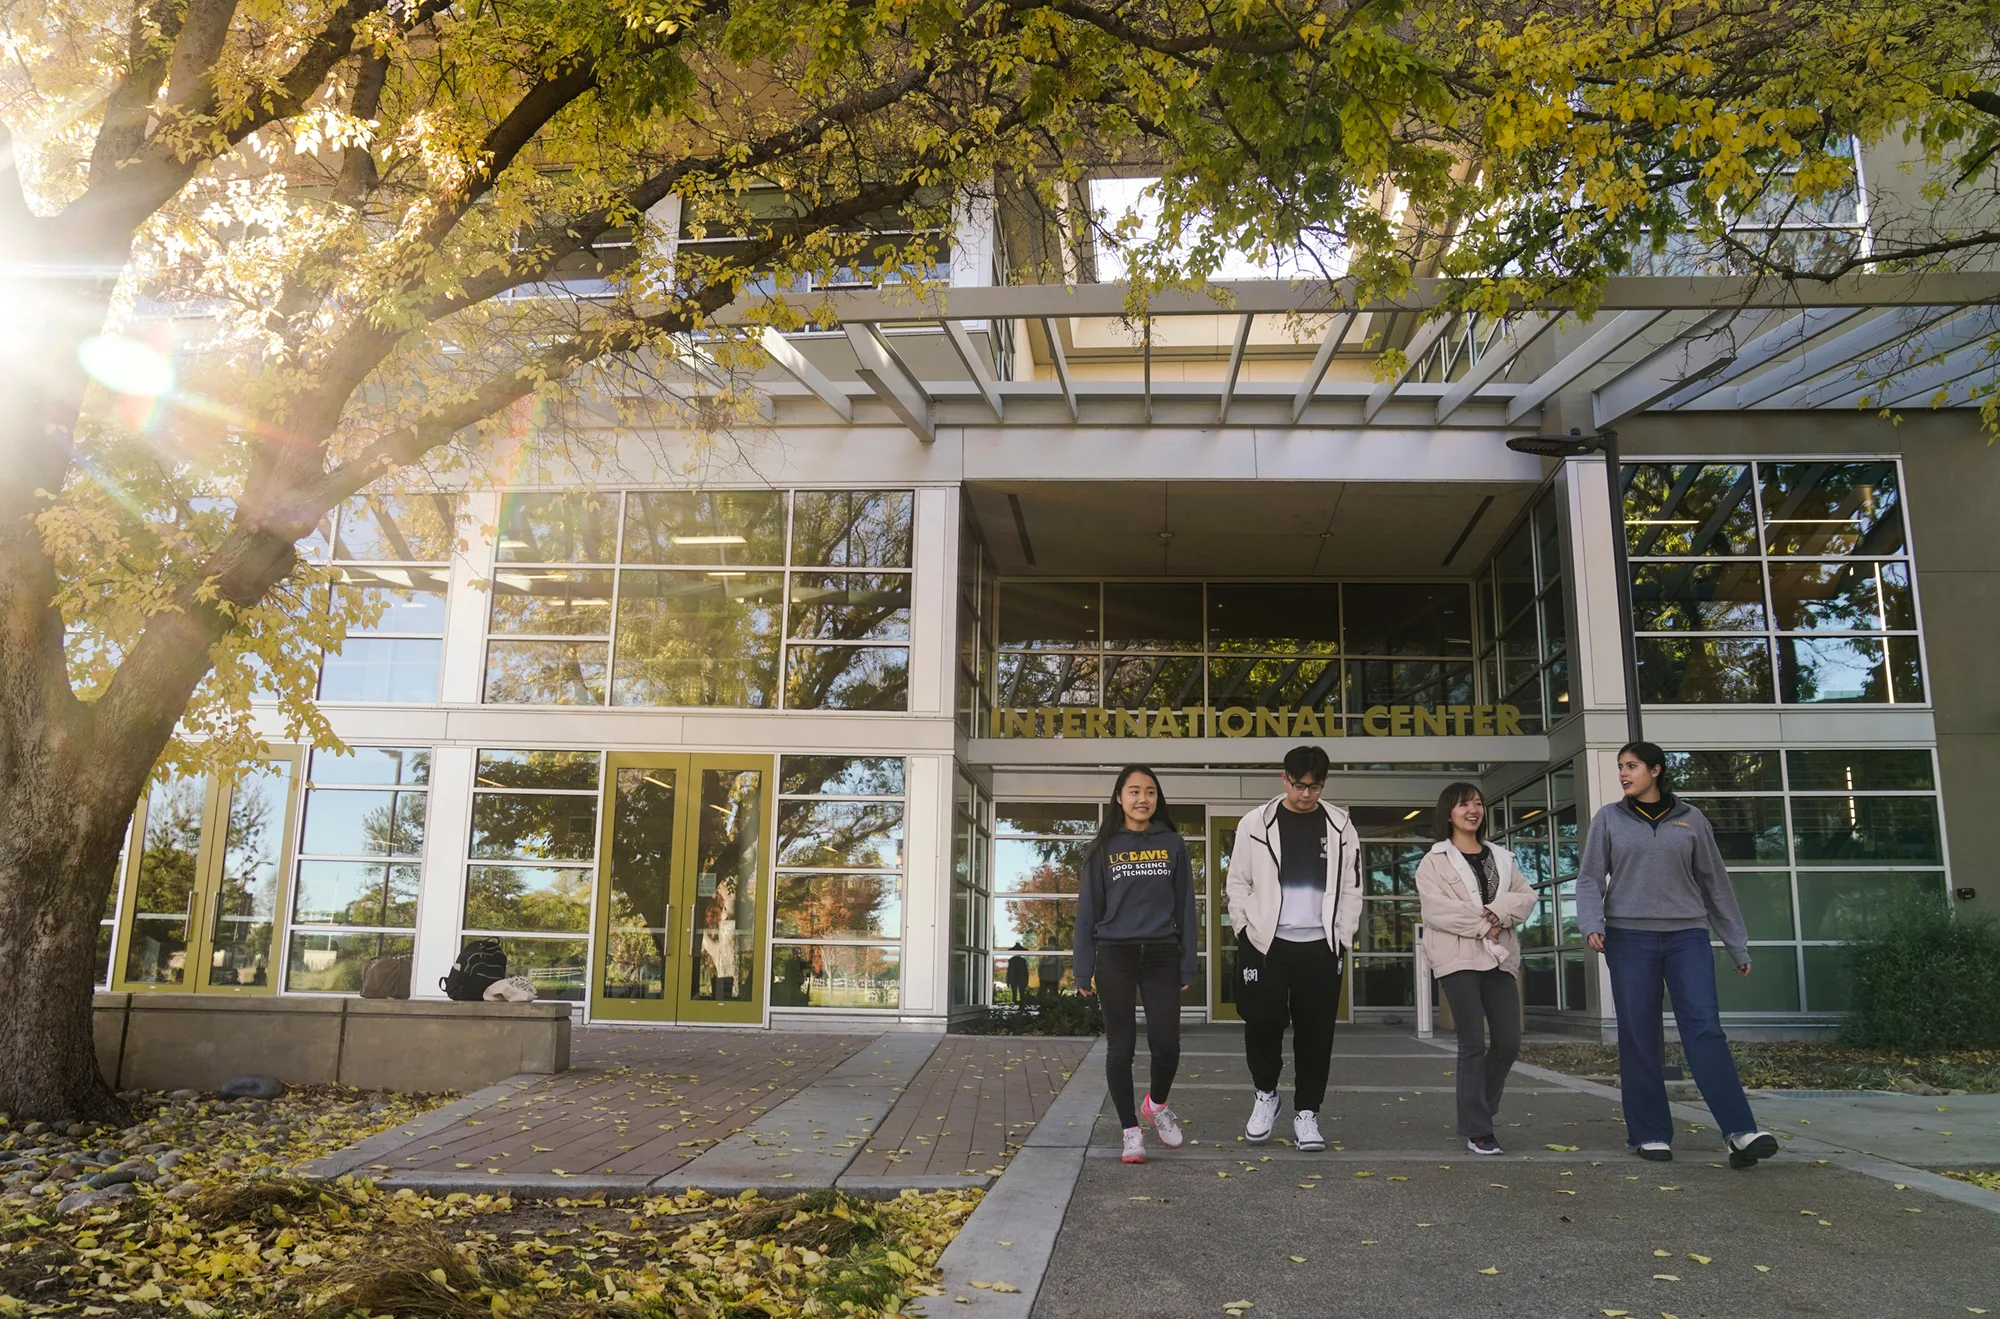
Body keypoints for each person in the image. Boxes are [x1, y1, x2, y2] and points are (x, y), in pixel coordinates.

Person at [1577, 741, 1780, 1168]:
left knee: (1705, 1028)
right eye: (1620, 767)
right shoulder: (1609, 818)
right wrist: (1592, 923)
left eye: (1632, 766)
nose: (1623, 773)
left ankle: (1740, 1132)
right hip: (1629, 938)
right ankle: (1649, 1133)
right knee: (1639, 1033)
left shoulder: (1692, 819)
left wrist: (1735, 942)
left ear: (1656, 770)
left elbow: (1714, 883)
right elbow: (1590, 878)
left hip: (1687, 935)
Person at [1224, 745, 1361, 1153]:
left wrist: (1343, 937)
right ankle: (1266, 1094)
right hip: (1266, 943)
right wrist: (1244, 928)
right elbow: (1238, 882)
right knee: (1262, 1022)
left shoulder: (1340, 825)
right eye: (1299, 785)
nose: (1306, 795)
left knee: (1316, 1033)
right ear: (1284, 778)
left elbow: (1352, 886)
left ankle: (1307, 1114)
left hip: (1321, 945)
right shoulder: (1255, 823)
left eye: (1315, 787)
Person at [1075, 765, 1197, 1165]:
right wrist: (1083, 968)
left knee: (1166, 1044)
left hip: (1162, 954)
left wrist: (1187, 963)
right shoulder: (1102, 847)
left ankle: (1156, 1105)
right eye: (1134, 791)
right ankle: (1130, 1130)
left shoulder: (1173, 844)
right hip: (1116, 955)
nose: (1142, 798)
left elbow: (1186, 907)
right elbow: (1088, 911)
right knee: (1120, 1048)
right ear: (1119, 797)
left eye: (1150, 791)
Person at [1416, 782, 1537, 1155]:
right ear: (1448, 813)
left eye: (1478, 803)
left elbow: (1526, 897)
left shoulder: (1502, 857)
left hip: (1499, 958)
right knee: (1471, 1041)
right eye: (1463, 804)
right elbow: (1436, 911)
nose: (1473, 810)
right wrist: (1486, 924)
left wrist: (1499, 913)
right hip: (1457, 958)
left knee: (1508, 1041)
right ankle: (1479, 1128)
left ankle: (1475, 1110)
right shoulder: (1434, 860)